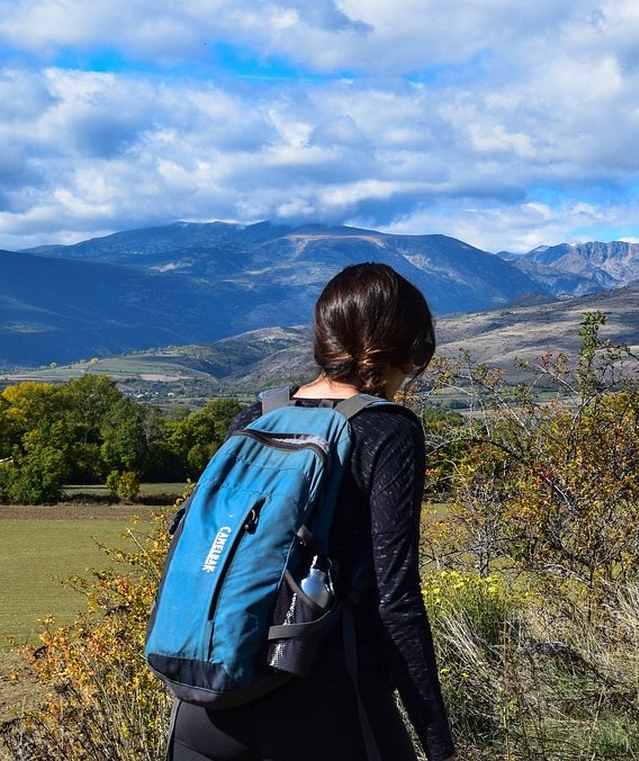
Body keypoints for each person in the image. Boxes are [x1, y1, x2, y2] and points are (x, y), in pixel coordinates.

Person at [171, 262, 456, 761]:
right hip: (324, 701)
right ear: (405, 348)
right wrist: (437, 741)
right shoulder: (387, 431)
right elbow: (397, 600)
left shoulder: (257, 417)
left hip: (206, 703)